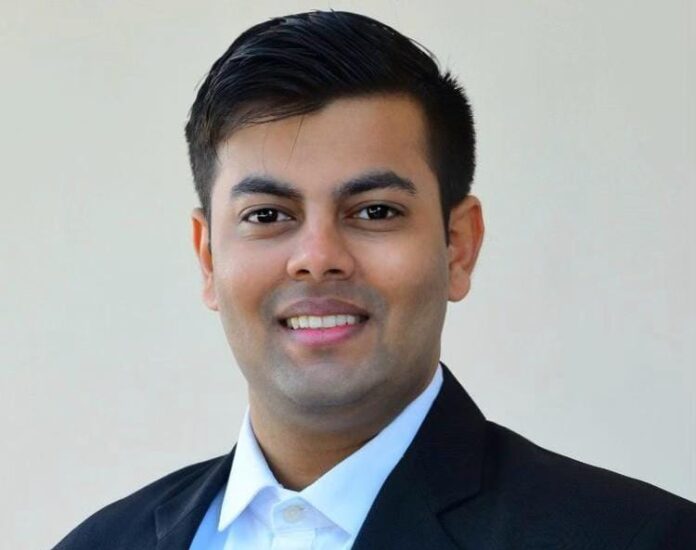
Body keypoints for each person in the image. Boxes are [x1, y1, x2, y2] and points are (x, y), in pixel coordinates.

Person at [54, 10, 695, 549]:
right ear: (208, 259)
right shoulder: (99, 544)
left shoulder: (640, 537)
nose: (317, 257)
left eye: (375, 212)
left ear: (458, 246)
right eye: (268, 215)